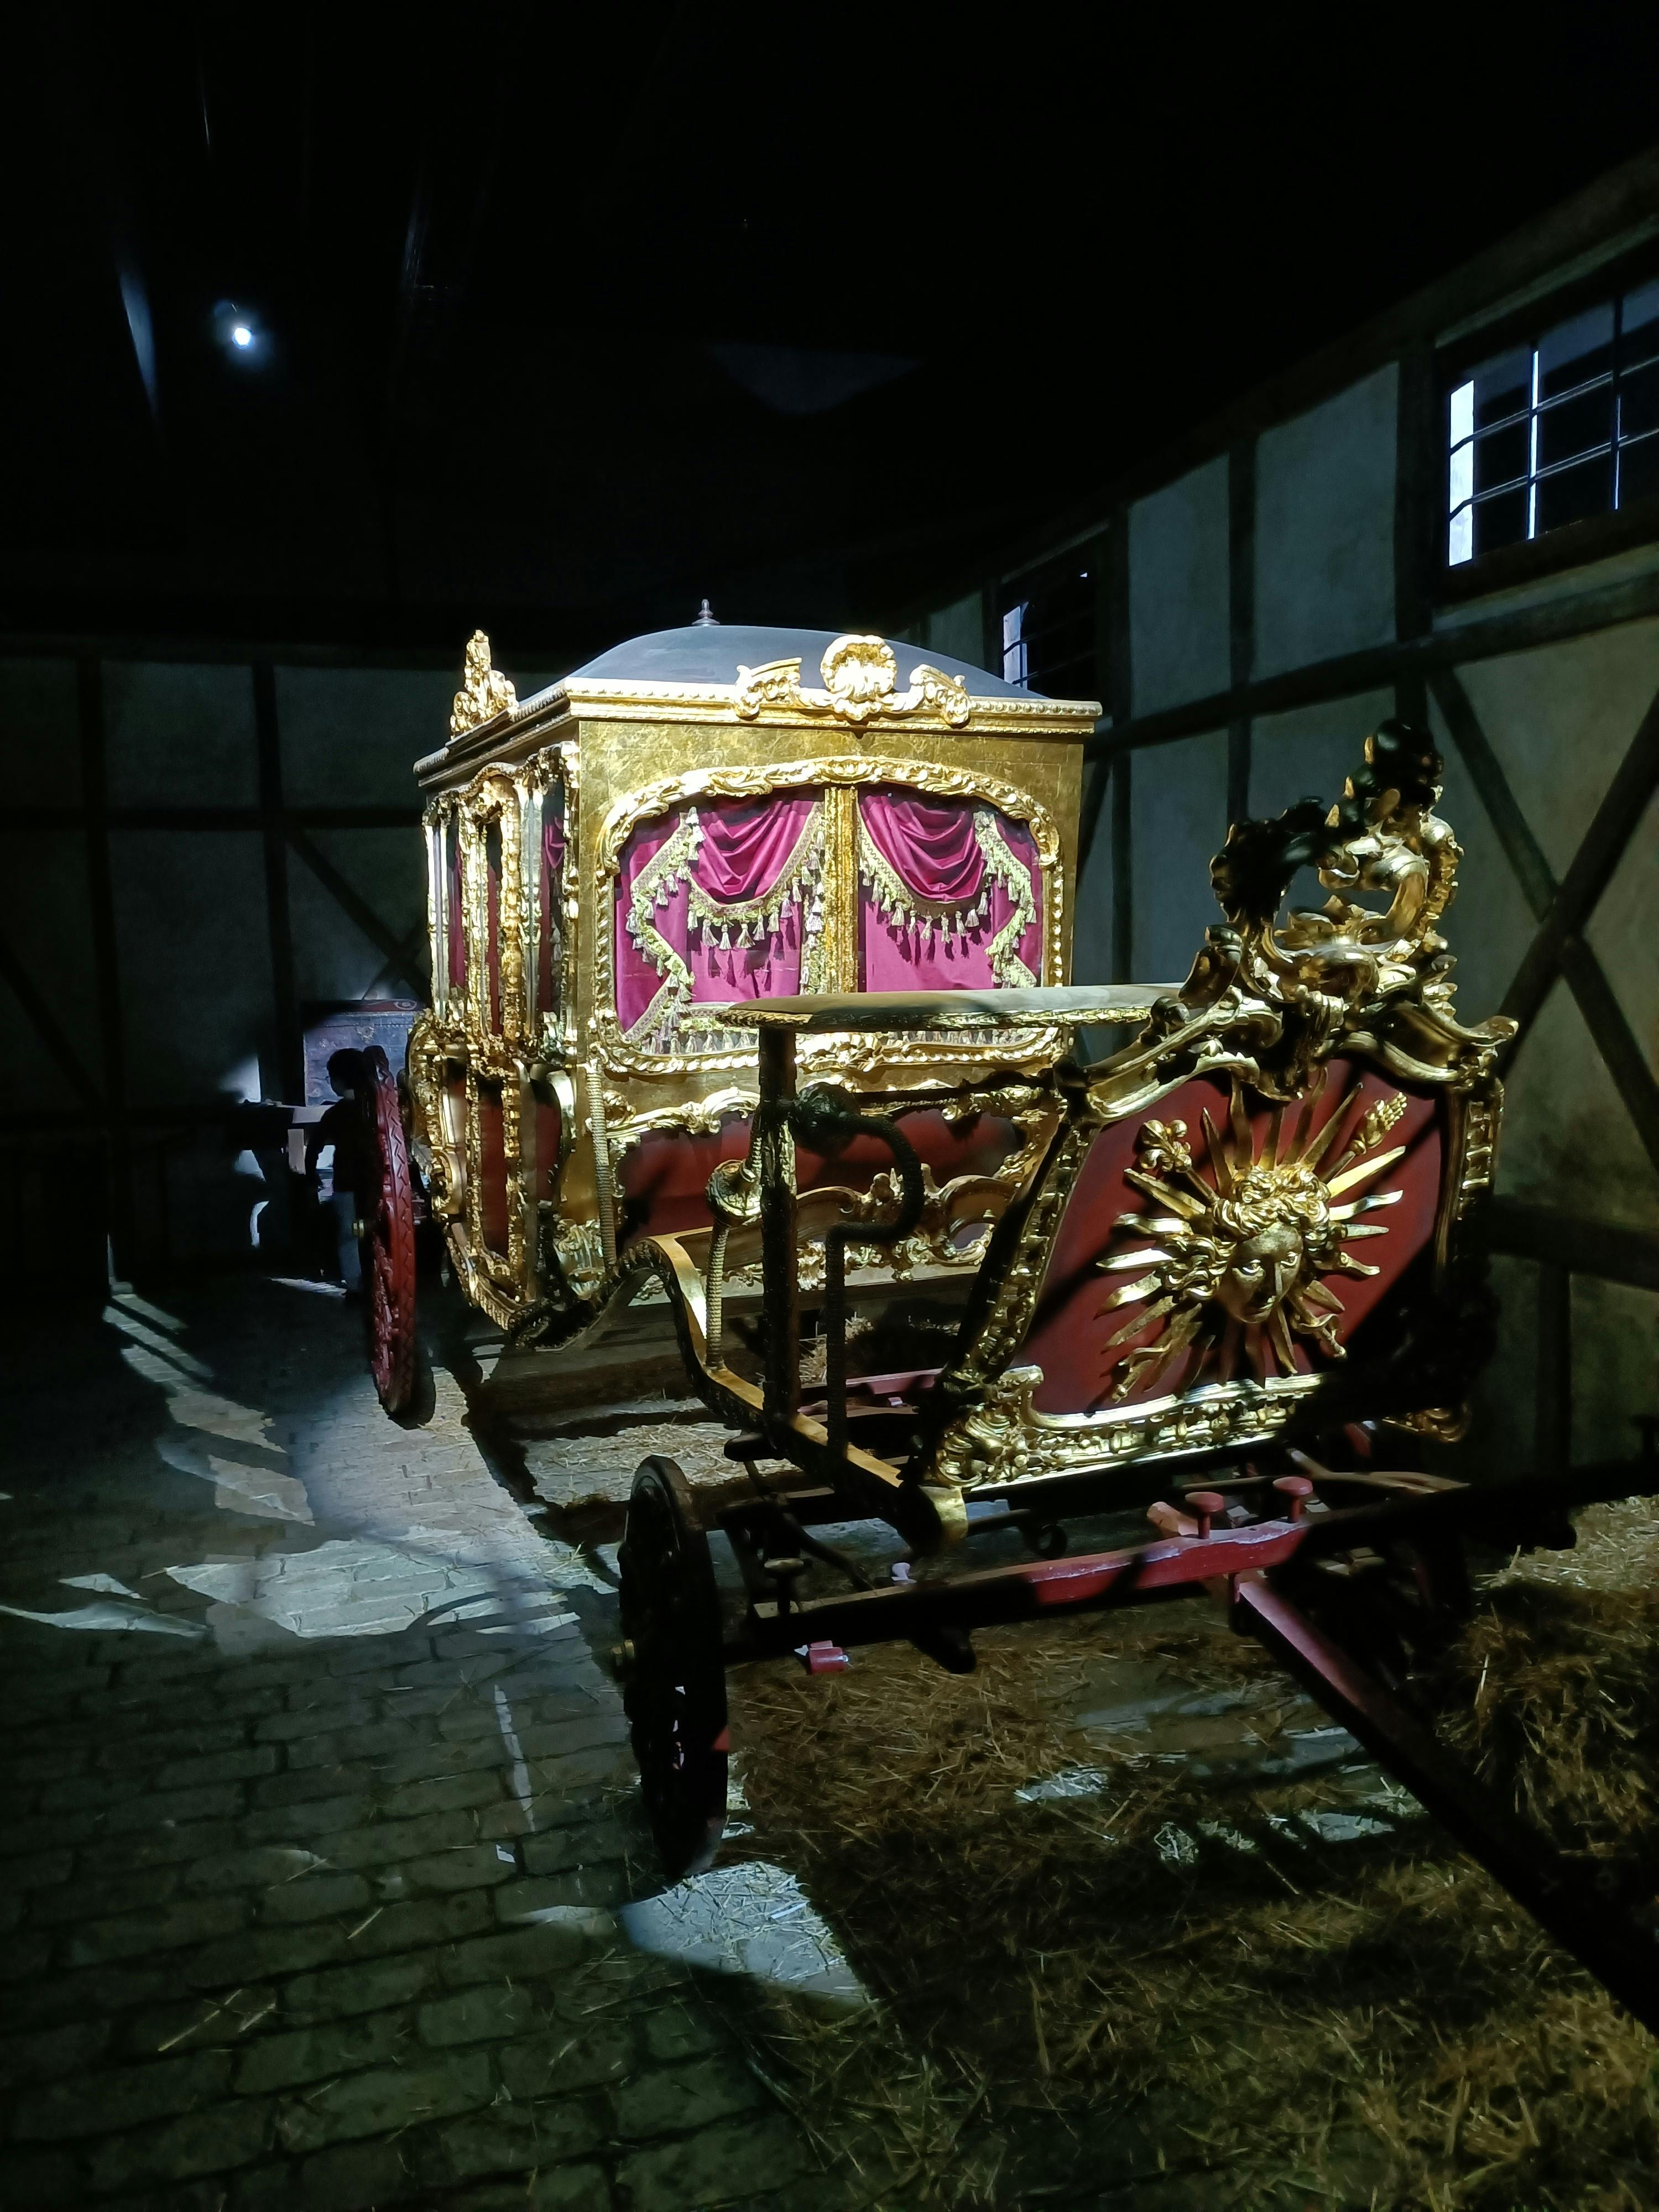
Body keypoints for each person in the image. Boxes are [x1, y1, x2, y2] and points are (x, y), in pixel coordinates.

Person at [305, 1048, 370, 1293]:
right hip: (375, 1181)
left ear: (339, 1081)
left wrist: (311, 1173)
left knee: (348, 1234)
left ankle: (354, 1285)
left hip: (347, 1181)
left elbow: (315, 1146)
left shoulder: (336, 1113)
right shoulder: (376, 1108)